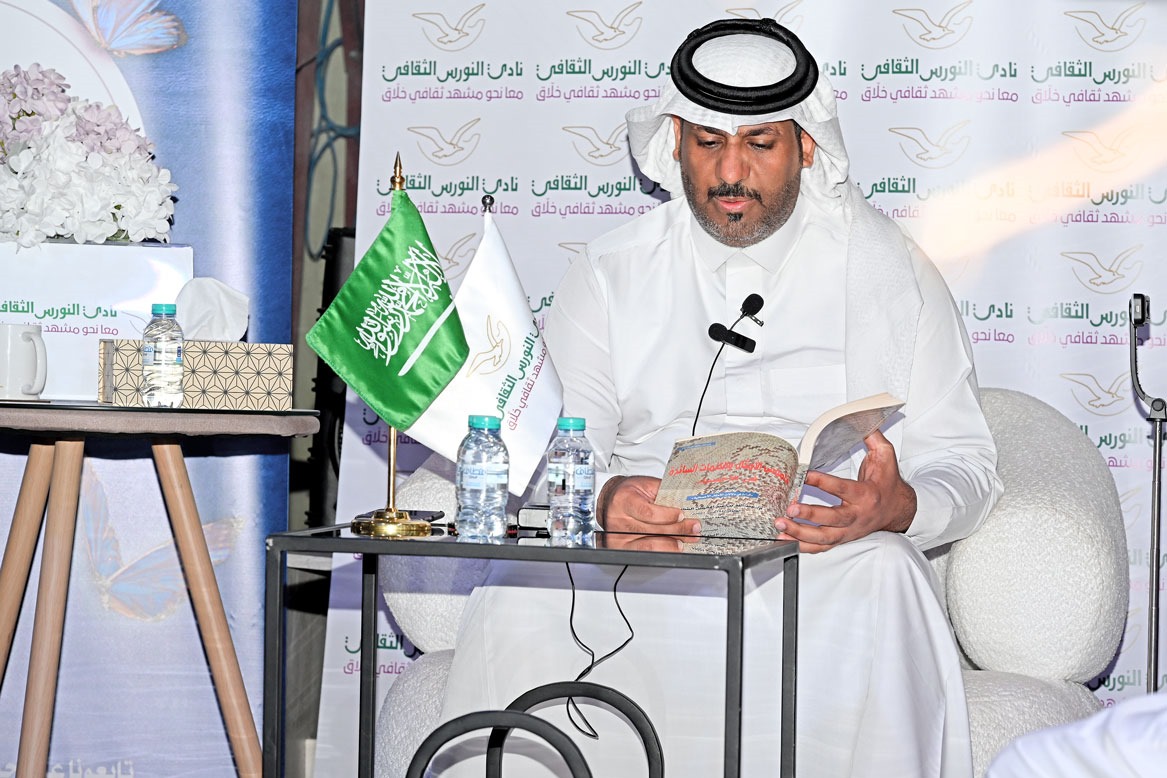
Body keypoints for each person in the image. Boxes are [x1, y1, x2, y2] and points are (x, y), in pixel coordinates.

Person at [430, 18, 1003, 777]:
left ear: (806, 145)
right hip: (647, 554)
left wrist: (897, 506)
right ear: (674, 140)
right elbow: (549, 447)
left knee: (886, 573)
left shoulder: (890, 270)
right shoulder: (610, 271)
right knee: (518, 585)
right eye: (708, 143)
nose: (731, 172)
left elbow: (967, 462)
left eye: (759, 144)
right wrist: (605, 498)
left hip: (818, 559)